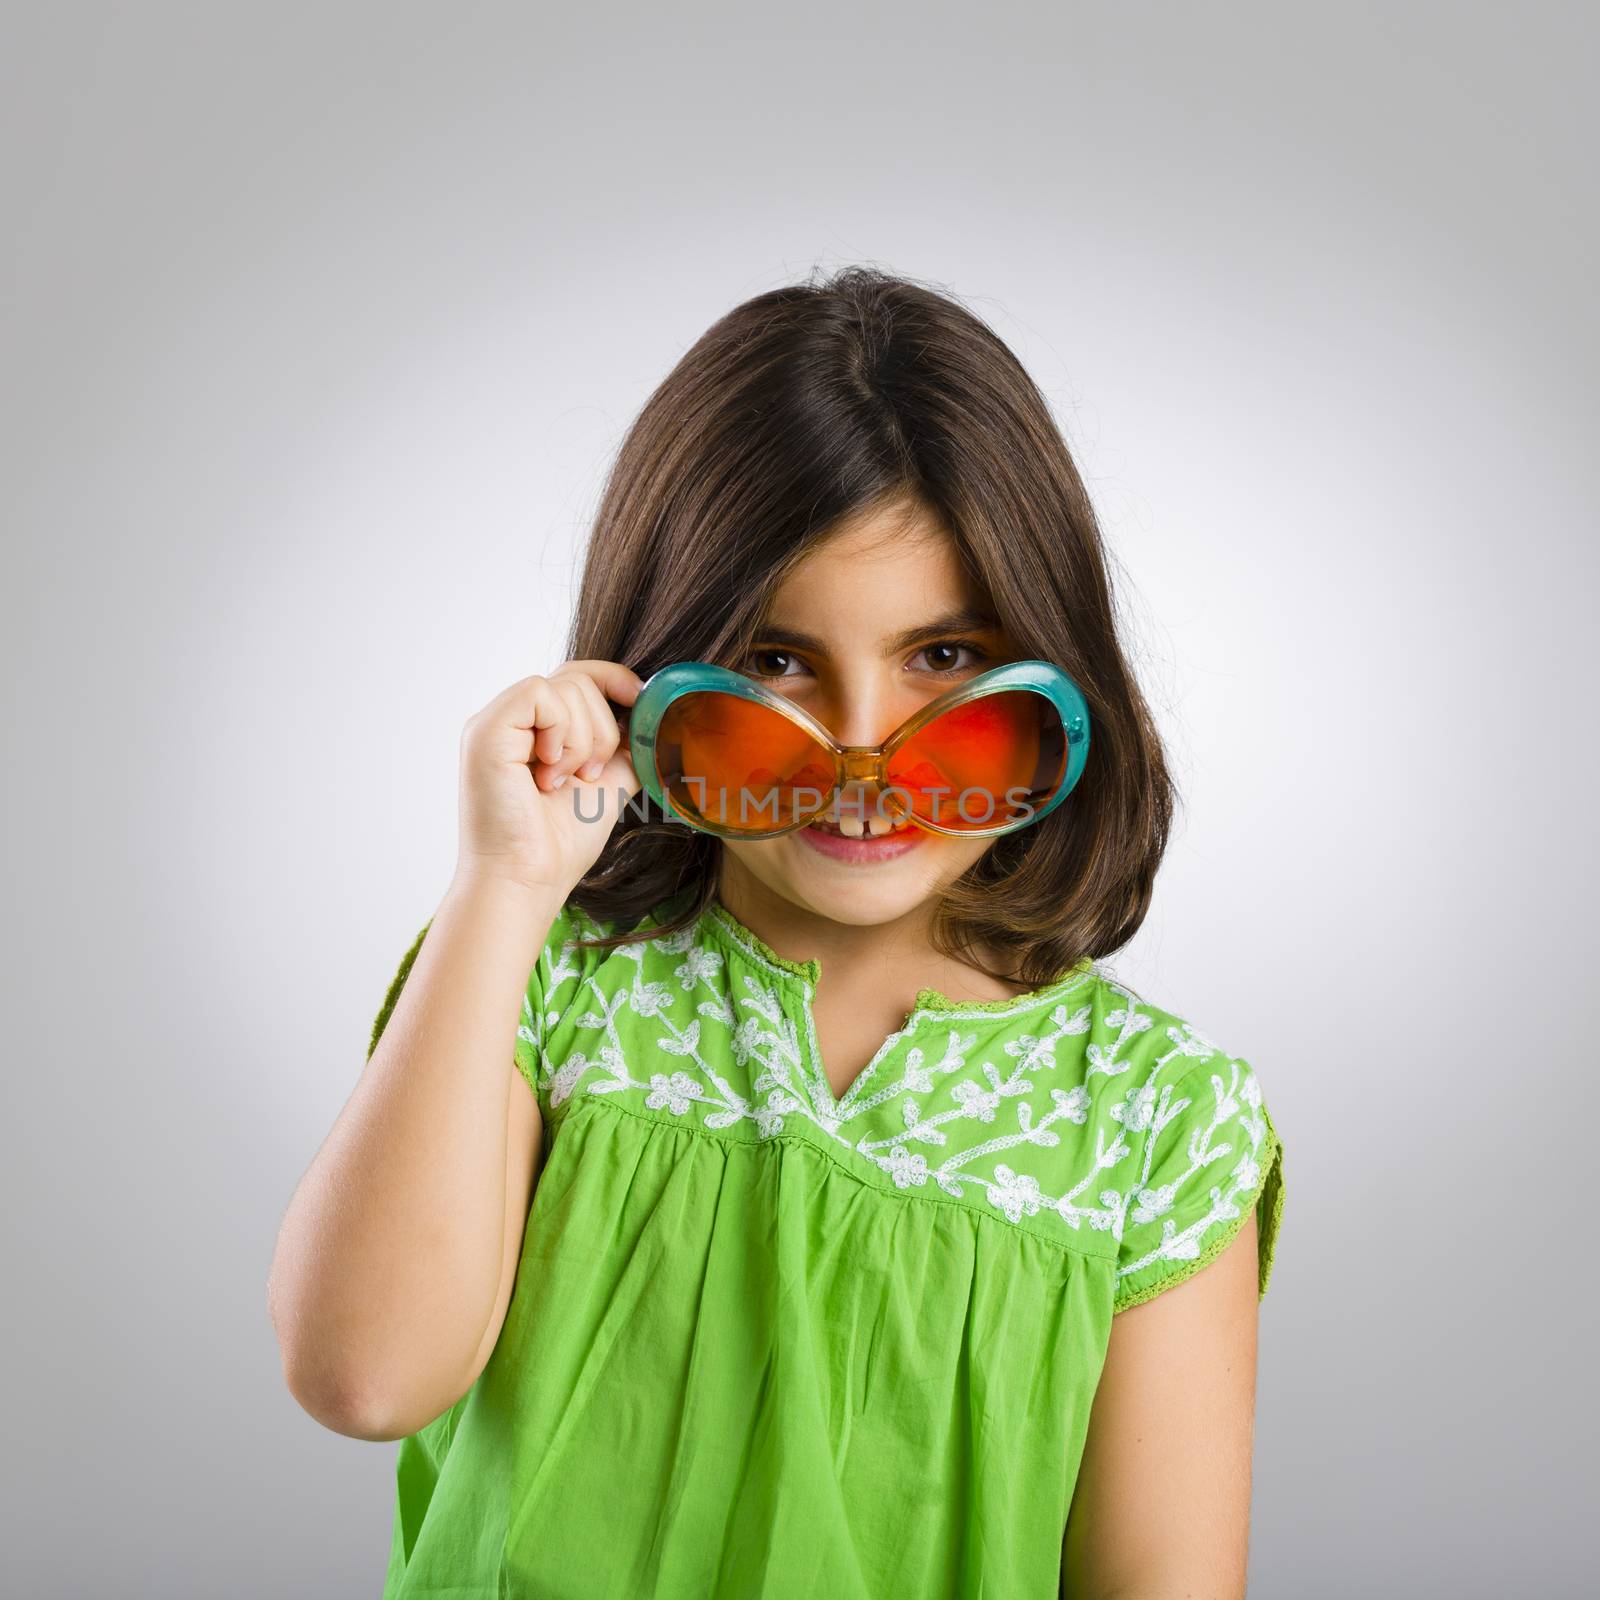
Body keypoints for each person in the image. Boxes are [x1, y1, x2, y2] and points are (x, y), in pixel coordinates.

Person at [269, 265, 1285, 1599]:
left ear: (1057, 672)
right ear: (658, 673)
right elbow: (363, 1375)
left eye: (943, 658)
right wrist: (505, 890)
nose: (861, 754)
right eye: (775, 660)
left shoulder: (1161, 1125)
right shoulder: (548, 985)